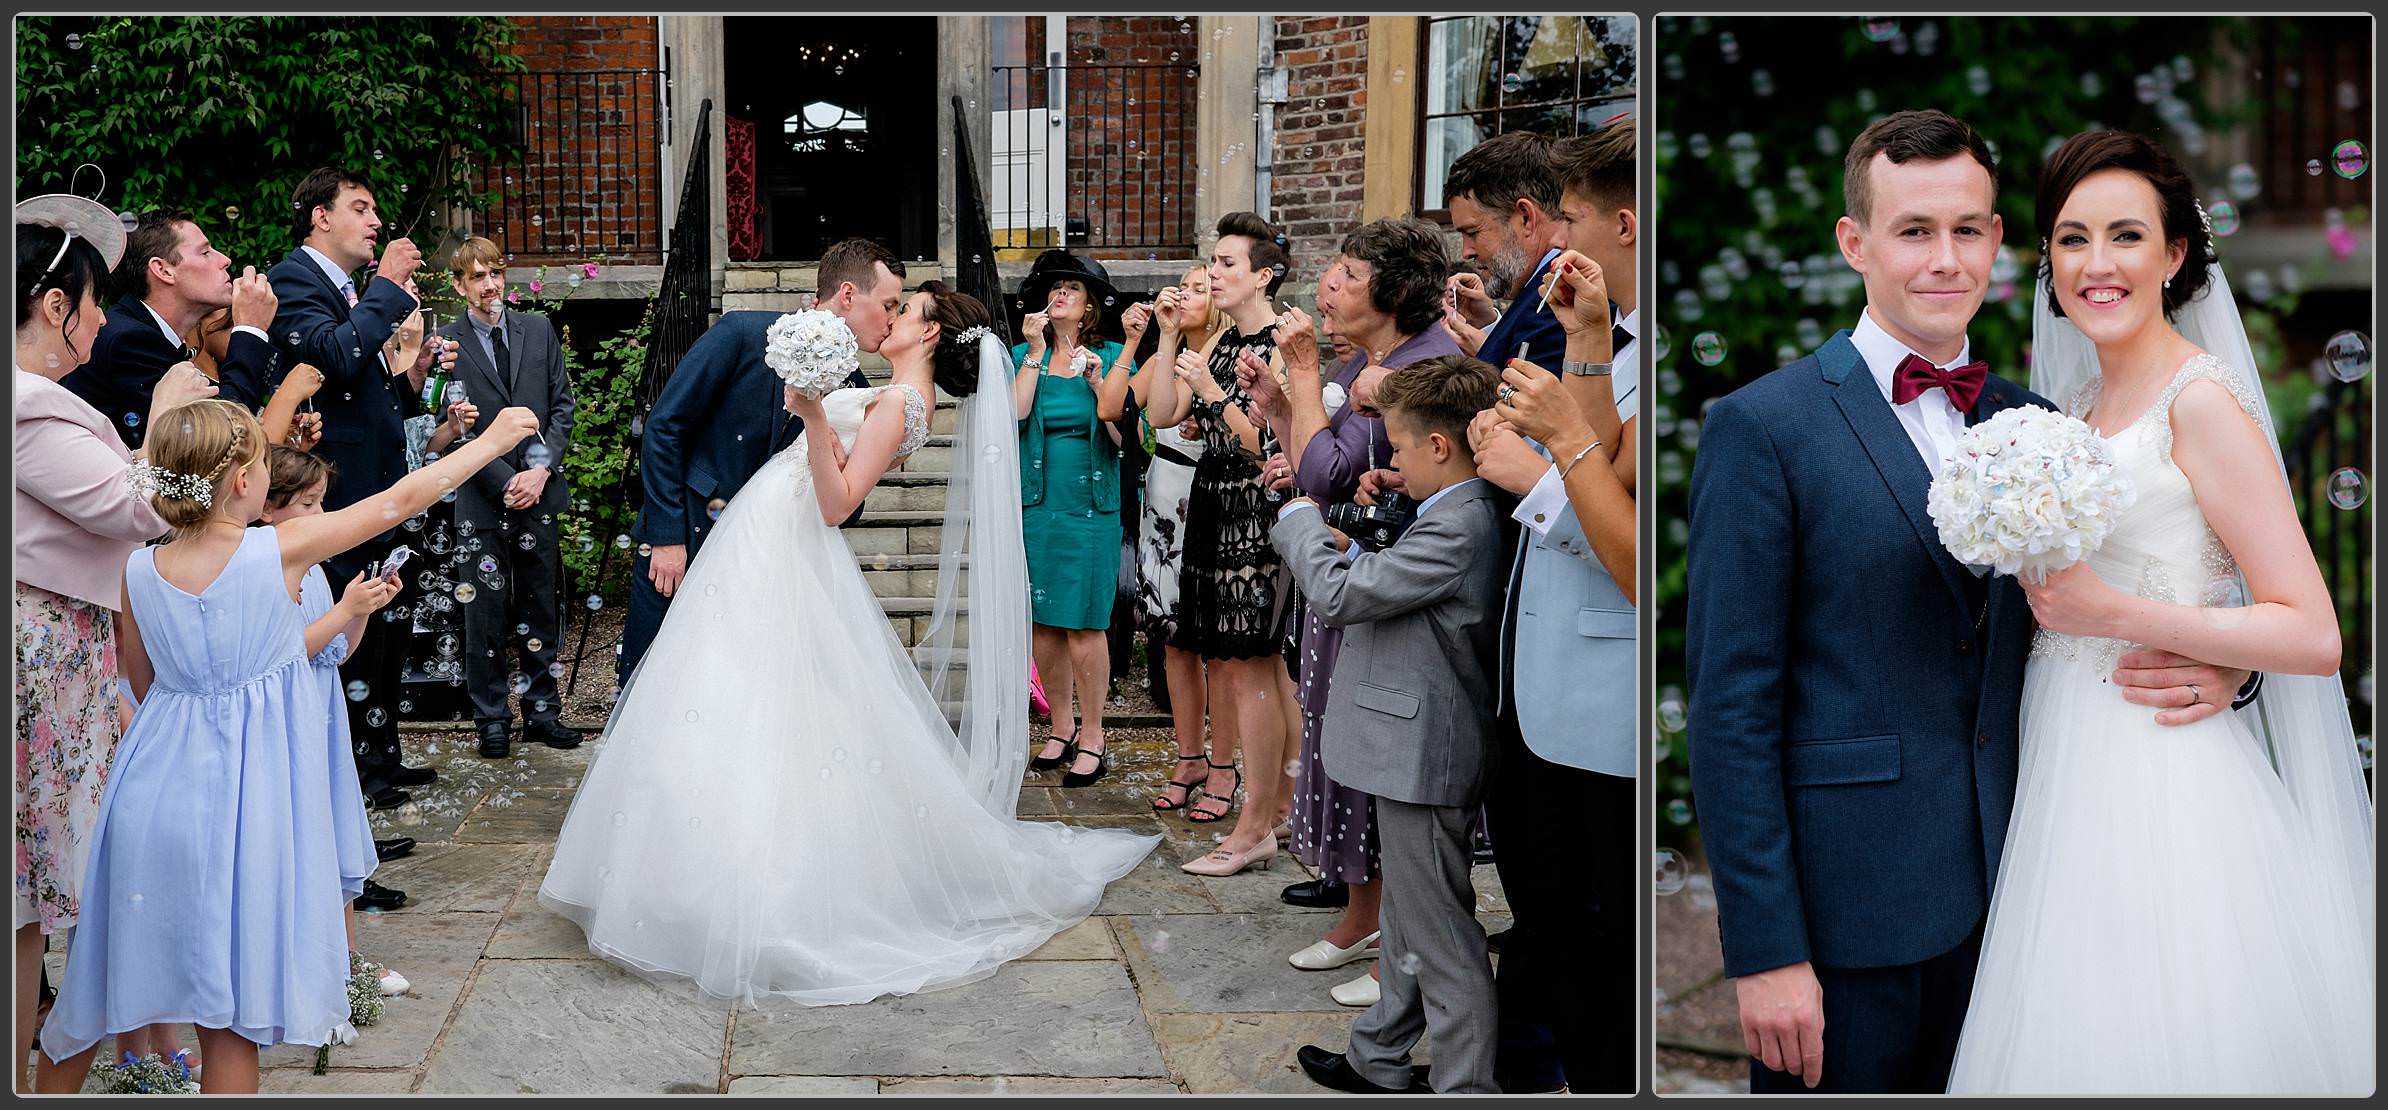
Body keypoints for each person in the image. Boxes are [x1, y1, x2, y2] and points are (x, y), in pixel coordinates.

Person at [1686, 110, 2257, 1094]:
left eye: (1968, 229)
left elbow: (2120, 595)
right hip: (1849, 919)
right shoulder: (1762, 428)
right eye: (1914, 230)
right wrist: (1766, 951)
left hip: (2035, 892)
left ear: (1997, 242)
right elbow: (1730, 708)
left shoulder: (2042, 425)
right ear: (1854, 242)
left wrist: (2231, 664)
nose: (1944, 258)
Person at [540, 283, 1158, 1008]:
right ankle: (686, 873)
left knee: (749, 698)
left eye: (907, 310)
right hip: (770, 535)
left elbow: (836, 506)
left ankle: (742, 891)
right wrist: (821, 430)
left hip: (790, 542)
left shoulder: (900, 404)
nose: (890, 317)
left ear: (930, 336)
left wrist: (805, 415)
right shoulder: (892, 396)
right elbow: (837, 473)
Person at [1945, 130, 2372, 1094]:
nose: (2097, 265)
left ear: (2176, 255)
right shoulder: (2071, 406)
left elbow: (2311, 631)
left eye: (2126, 236)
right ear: (2047, 260)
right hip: (2059, 756)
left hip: (2163, 772)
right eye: (2071, 239)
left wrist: (2119, 612)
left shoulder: (2202, 402)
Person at [38, 399, 539, 1093]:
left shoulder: (137, 569)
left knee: (98, 983)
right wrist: (490, 441)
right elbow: (399, 500)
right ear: (244, 482)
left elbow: (144, 684)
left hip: (149, 791)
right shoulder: (277, 548)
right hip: (246, 801)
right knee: (232, 1015)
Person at [12, 207, 211, 1091]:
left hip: (60, 654)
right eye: (93, 303)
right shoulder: (26, 410)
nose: (103, 320)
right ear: (54, 306)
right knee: (22, 906)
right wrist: (170, 409)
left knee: (28, 911)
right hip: (34, 663)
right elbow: (145, 505)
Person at [1243, 218, 1463, 1009]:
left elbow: (1328, 472)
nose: (1327, 287)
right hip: (1351, 570)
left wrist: (1302, 383)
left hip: (1391, 584)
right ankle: (1361, 914)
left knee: (1385, 763)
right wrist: (1280, 407)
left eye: (1346, 272)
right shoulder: (1362, 362)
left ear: (1395, 291)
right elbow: (1320, 460)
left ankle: (1395, 949)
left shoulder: (1422, 365)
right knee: (1350, 744)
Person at [1278, 356, 1513, 1094]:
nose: (1396, 465)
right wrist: (1360, 542)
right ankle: (1378, 1053)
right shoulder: (1450, 511)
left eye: (1403, 450)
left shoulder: (1463, 520)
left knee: (1441, 932)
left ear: (1441, 446)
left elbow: (1343, 599)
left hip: (1425, 752)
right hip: (1408, 746)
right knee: (1413, 917)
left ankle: (1465, 1084)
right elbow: (1397, 580)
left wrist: (1300, 525)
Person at [1464, 121, 1640, 1093]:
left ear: (1618, 223)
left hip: (1599, 692)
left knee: (1592, 948)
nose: (1558, 236)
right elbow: (1599, 459)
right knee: (1552, 925)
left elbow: (1620, 531)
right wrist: (1580, 340)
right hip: (1543, 682)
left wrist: (1535, 469)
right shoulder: (1620, 339)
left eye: (1569, 216)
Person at [618, 238, 897, 683]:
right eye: (888, 305)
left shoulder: (855, 386)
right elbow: (664, 428)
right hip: (690, 535)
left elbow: (846, 509)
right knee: (652, 679)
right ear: (848, 294)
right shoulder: (742, 333)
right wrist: (667, 536)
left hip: (771, 563)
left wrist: (838, 465)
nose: (891, 320)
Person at [267, 166, 456, 810]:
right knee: (349, 638)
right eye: (361, 208)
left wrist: (417, 371)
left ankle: (380, 765)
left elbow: (372, 394)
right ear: (321, 216)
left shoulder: (348, 291)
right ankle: (351, 786)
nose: (375, 221)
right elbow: (335, 359)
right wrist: (389, 286)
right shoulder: (294, 279)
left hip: (378, 490)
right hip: (338, 496)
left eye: (375, 210)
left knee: (383, 629)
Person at [1141, 212, 1300, 864]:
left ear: (1264, 273)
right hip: (1213, 507)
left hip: (1255, 518)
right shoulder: (1222, 343)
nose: (1213, 272)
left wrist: (1208, 392)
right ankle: (1284, 813)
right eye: (1214, 261)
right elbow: (1159, 414)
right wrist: (1170, 336)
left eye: (1228, 262)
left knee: (1254, 673)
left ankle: (1257, 825)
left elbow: (1266, 441)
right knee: (1251, 672)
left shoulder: (1281, 343)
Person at [255, 446, 412, 995]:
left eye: (323, 504)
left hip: (322, 719)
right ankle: (309, 964)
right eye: (309, 504)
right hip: (289, 721)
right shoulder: (263, 568)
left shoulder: (314, 568)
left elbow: (335, 654)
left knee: (334, 829)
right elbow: (282, 652)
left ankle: (345, 963)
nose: (322, 518)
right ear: (266, 507)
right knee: (301, 834)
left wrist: (360, 612)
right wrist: (347, 610)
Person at [439, 237, 582, 758]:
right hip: (481, 500)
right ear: (459, 285)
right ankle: (492, 719)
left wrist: (538, 474)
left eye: (495, 273)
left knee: (540, 605)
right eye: (477, 277)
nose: (490, 284)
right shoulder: (447, 345)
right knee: (486, 613)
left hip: (538, 494)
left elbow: (562, 409)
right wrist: (505, 480)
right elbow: (450, 430)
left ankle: (543, 711)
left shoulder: (538, 331)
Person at [1097, 263, 1227, 814]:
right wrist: (1144, 338)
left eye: (1200, 287)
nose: (1186, 293)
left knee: (1217, 645)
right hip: (1164, 493)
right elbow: (1110, 408)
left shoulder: (1227, 349)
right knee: (1172, 637)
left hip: (1213, 494)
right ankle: (1189, 754)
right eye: (1182, 286)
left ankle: (1223, 763)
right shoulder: (1167, 352)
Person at [1010, 250, 1130, 787]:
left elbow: (1131, 436)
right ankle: (1059, 727)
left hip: (1090, 508)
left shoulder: (1107, 356)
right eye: (1055, 288)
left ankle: (1093, 734)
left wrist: (1099, 382)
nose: (1060, 295)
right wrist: (1035, 352)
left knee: (1084, 623)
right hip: (1036, 503)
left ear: (1088, 309)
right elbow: (1012, 414)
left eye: (1072, 290)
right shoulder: (1022, 353)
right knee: (1043, 623)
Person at [63, 209, 281, 448]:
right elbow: (219, 432)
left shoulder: (145, 333)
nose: (225, 260)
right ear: (163, 270)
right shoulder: (129, 340)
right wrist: (250, 329)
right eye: (206, 252)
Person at [1439, 131, 1570, 373]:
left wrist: (1486, 355)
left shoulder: (1562, 298)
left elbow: (1524, 404)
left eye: (1473, 232)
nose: (1466, 251)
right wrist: (1488, 325)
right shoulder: (1543, 293)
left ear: (1526, 218)